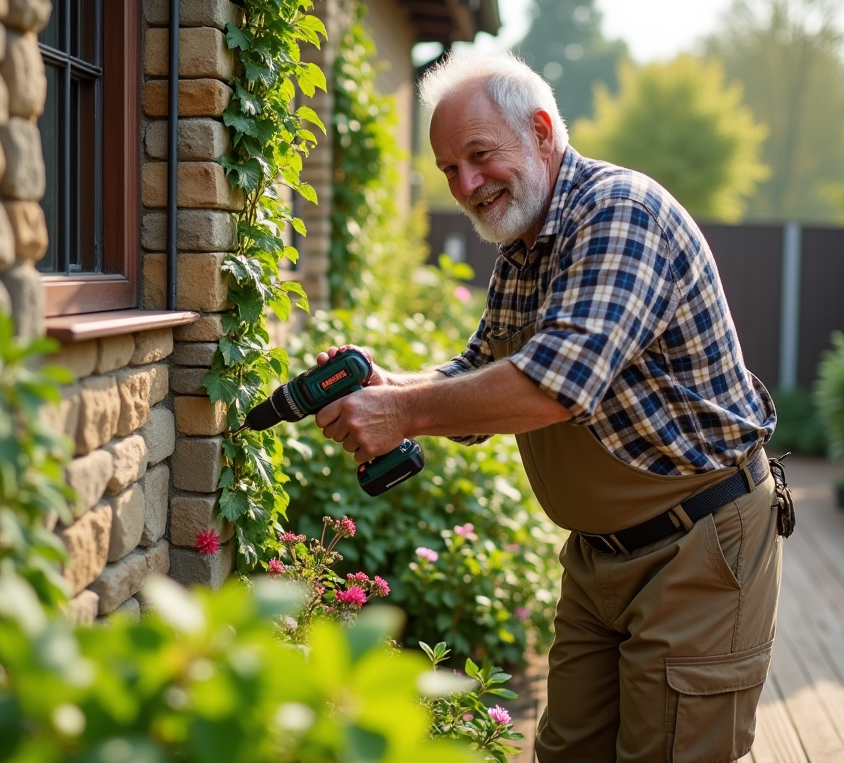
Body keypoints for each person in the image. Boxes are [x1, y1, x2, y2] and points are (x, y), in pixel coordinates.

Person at [314, 47, 788, 763]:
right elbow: (479, 375)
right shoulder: (524, 247)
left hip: (698, 548)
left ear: (540, 131)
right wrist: (392, 385)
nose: (466, 184)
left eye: (478, 156)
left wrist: (404, 417)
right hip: (601, 559)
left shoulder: (620, 214)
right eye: (448, 169)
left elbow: (554, 385)